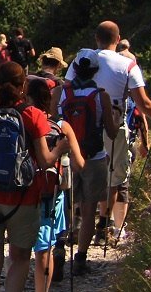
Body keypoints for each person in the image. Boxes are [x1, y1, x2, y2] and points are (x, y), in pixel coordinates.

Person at [64, 21, 151, 274]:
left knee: (74, 178)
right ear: (118, 38)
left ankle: (71, 228)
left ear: (95, 37)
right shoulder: (128, 64)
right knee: (113, 175)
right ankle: (103, 223)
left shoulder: (81, 60)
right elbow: (142, 103)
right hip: (113, 126)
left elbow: (66, 90)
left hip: (76, 129)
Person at [0, 62, 59, 292]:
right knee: (20, 259)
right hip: (24, 199)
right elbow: (45, 161)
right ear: (23, 85)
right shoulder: (33, 115)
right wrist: (61, 149)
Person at [59, 54, 119, 277]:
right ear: (95, 71)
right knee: (88, 209)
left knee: (63, 207)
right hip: (94, 158)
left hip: (66, 158)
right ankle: (81, 259)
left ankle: (58, 248)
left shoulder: (62, 92)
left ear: (74, 68)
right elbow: (111, 133)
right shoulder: (100, 96)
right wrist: (116, 116)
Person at [28, 76, 84, 292]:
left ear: (29, 98)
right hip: (50, 195)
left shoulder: (24, 121)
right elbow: (79, 164)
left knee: (21, 250)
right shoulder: (62, 126)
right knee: (44, 250)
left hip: (23, 194)